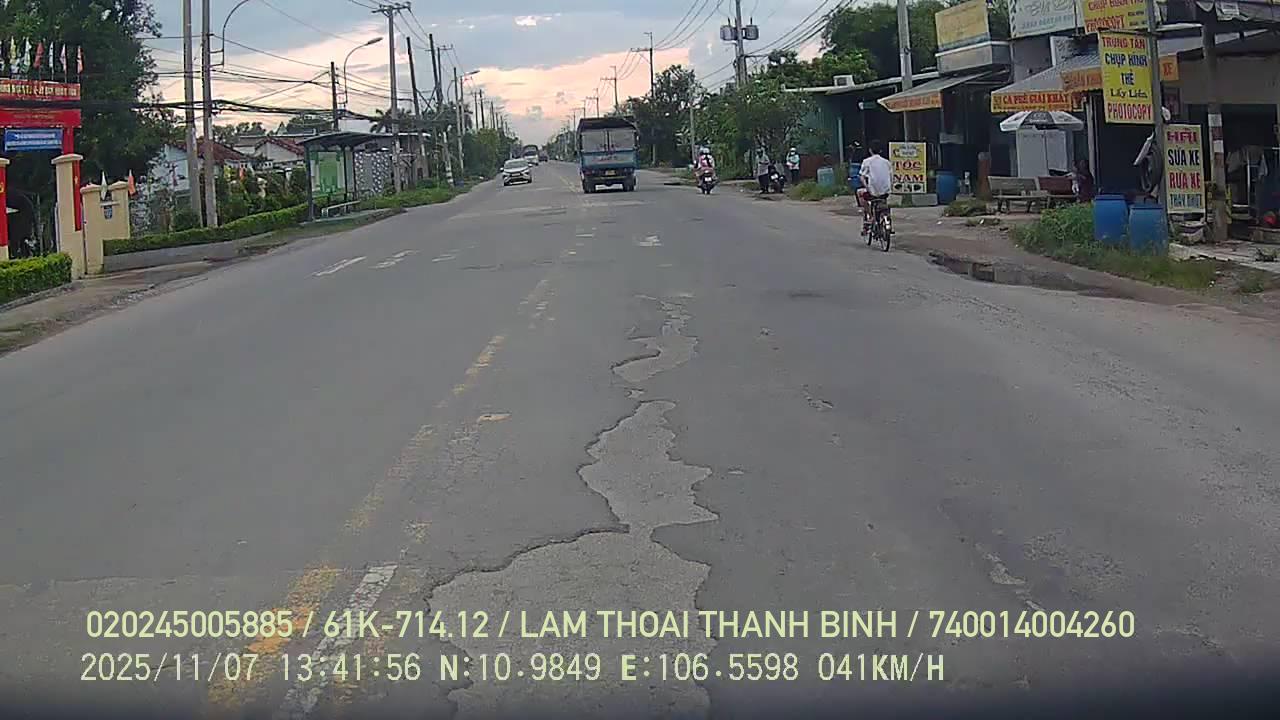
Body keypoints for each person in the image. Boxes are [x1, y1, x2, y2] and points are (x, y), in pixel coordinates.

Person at [858, 141, 893, 235]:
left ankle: (870, 216)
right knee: (883, 202)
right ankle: (887, 220)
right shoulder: (887, 162)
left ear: (870, 150)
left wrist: (867, 187)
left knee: (860, 193)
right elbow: (891, 177)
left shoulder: (867, 161)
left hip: (873, 192)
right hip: (885, 192)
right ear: (880, 151)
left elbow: (862, 177)